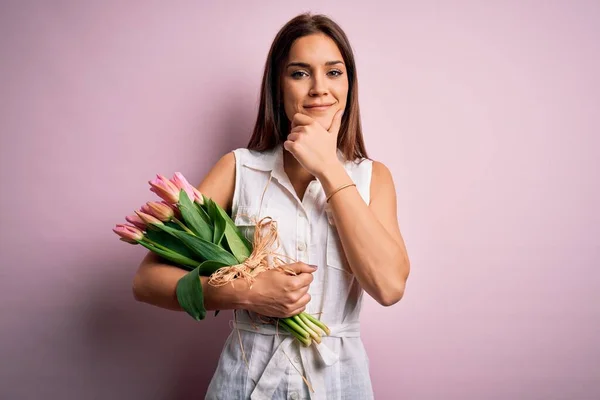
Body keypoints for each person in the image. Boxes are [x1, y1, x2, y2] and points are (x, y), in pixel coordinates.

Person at [132, 12, 410, 400]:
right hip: (244, 385)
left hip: (339, 387)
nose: (319, 89)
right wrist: (245, 291)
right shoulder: (238, 169)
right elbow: (146, 282)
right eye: (299, 73)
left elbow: (389, 286)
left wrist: (328, 167)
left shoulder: (372, 177)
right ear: (278, 87)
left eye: (334, 72)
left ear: (350, 84)